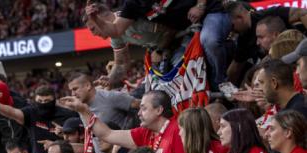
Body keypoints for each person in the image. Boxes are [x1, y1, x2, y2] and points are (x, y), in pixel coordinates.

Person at [85, 0, 230, 88]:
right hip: (168, 48)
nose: (93, 34)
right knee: (155, 92)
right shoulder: (130, 9)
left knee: (184, 75)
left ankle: (220, 84)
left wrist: (159, 50)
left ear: (103, 17)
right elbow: (121, 63)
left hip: (188, 32)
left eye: (93, 28)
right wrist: (111, 78)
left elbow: (169, 32)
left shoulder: (134, 19)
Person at [0, 85, 77, 153]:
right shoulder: (32, 112)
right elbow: (13, 113)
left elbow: (78, 140)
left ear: (53, 100)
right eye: (40, 101)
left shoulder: (67, 115)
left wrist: (62, 135)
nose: (43, 104)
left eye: (47, 101)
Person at [226, 2, 307, 84]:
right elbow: (235, 69)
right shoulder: (243, 40)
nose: (230, 30)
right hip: (277, 62)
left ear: (240, 17)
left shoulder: (268, 14)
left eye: (232, 26)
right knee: (253, 74)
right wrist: (229, 91)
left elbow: (301, 12)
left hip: (297, 54)